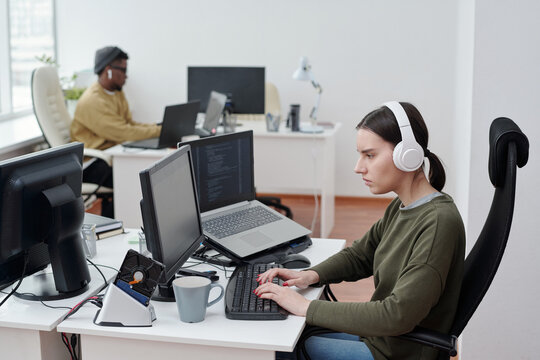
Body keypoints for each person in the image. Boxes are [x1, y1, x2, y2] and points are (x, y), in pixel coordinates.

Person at [255, 102, 465, 360]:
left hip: (395, 352)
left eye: (370, 155)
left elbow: (396, 315)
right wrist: (310, 275)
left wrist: (306, 306)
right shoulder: (402, 206)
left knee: (281, 348)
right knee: (289, 328)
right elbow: (361, 256)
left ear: (407, 154)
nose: (358, 167)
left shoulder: (437, 224)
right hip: (381, 338)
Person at [70, 46, 161, 216]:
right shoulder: (93, 101)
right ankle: (124, 222)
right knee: (135, 176)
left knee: (143, 168)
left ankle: (125, 219)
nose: (126, 76)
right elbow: (124, 133)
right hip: (92, 163)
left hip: (109, 155)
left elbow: (129, 125)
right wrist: (159, 131)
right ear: (108, 70)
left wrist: (158, 127)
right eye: (124, 70)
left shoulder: (116, 93)